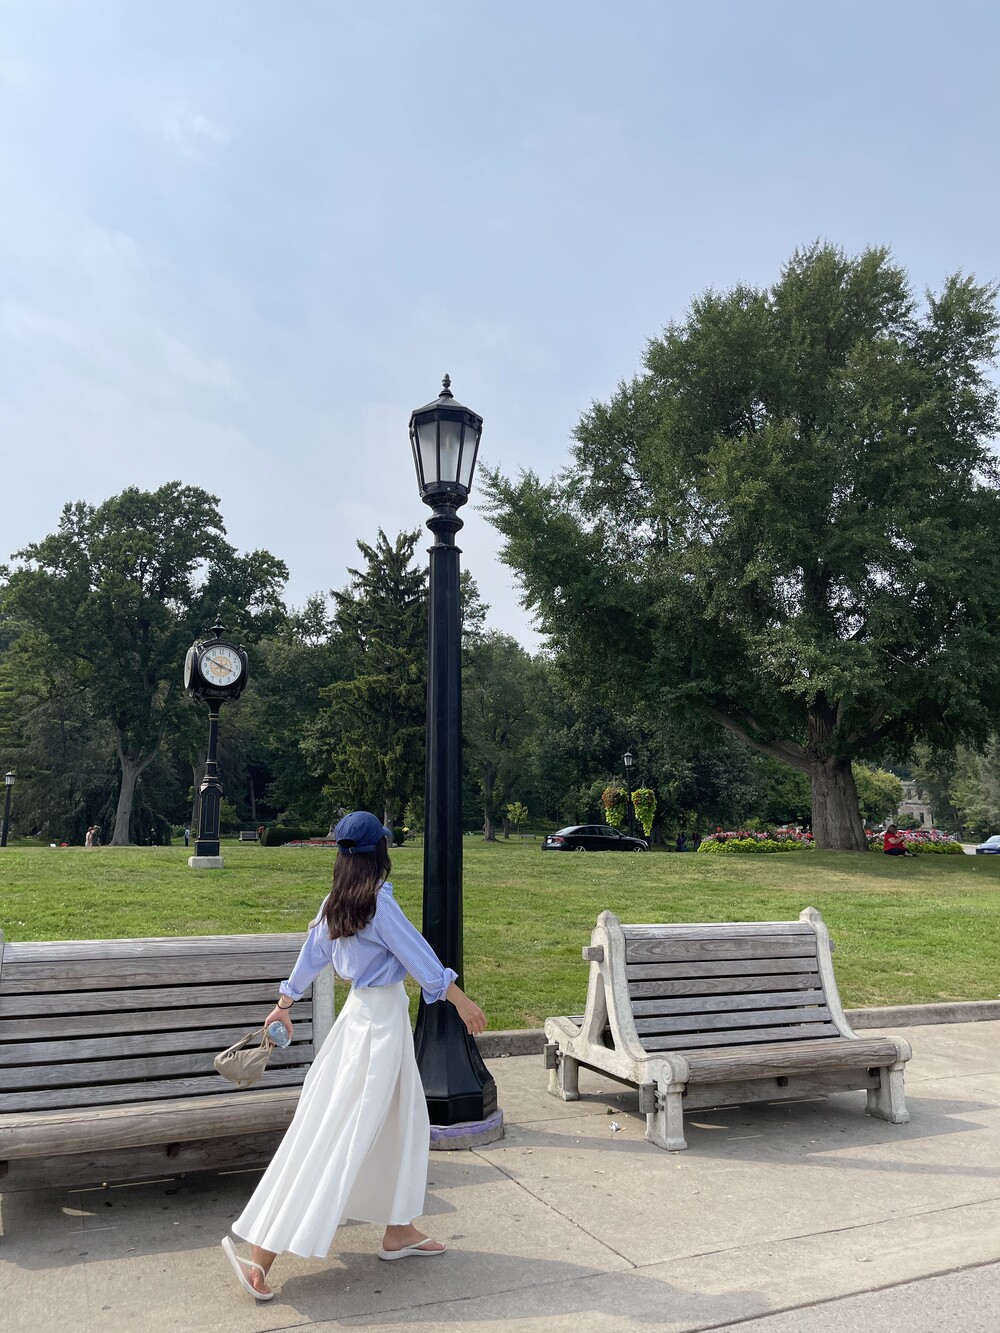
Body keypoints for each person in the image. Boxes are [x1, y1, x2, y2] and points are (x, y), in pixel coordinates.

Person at [220, 810, 488, 1301]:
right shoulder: (378, 904)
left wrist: (283, 1005)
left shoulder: (336, 903)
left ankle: (399, 1229)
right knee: (335, 1133)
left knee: (399, 1123)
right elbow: (421, 959)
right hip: (378, 1027)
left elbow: (310, 958)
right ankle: (261, 1255)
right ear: (379, 853)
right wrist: (461, 1001)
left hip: (362, 1021)